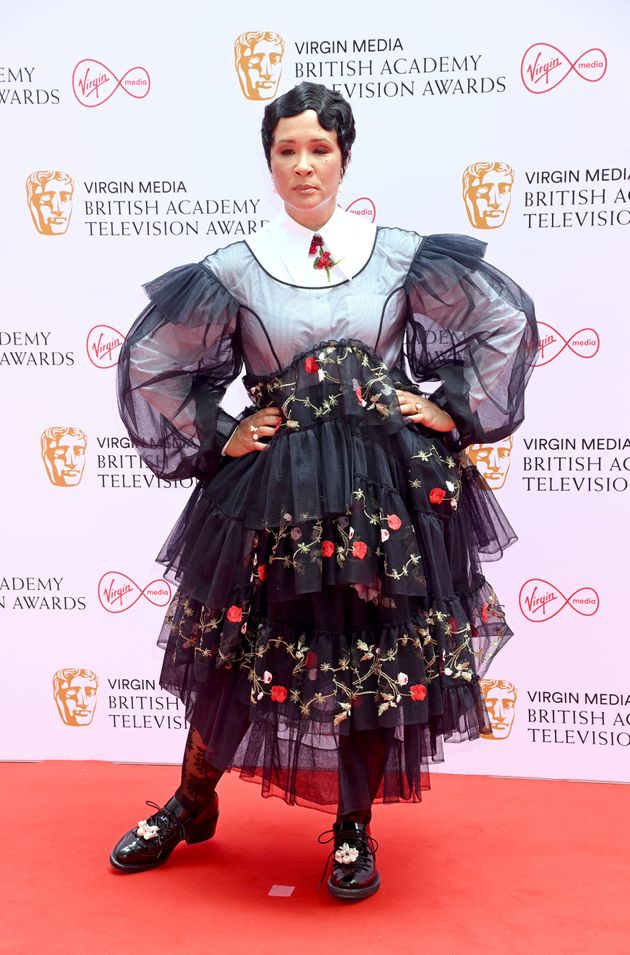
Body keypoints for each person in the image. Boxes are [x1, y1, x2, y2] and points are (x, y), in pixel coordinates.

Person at [110, 82, 537, 900]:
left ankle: (351, 828)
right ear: (268, 161)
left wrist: (446, 408)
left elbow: (506, 322)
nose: (304, 166)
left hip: (387, 494)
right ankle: (191, 801)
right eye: (287, 151)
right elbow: (151, 362)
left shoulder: (402, 254)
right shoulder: (235, 268)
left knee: (373, 658)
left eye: (320, 150)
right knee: (235, 653)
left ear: (345, 157)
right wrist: (219, 430)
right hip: (272, 496)